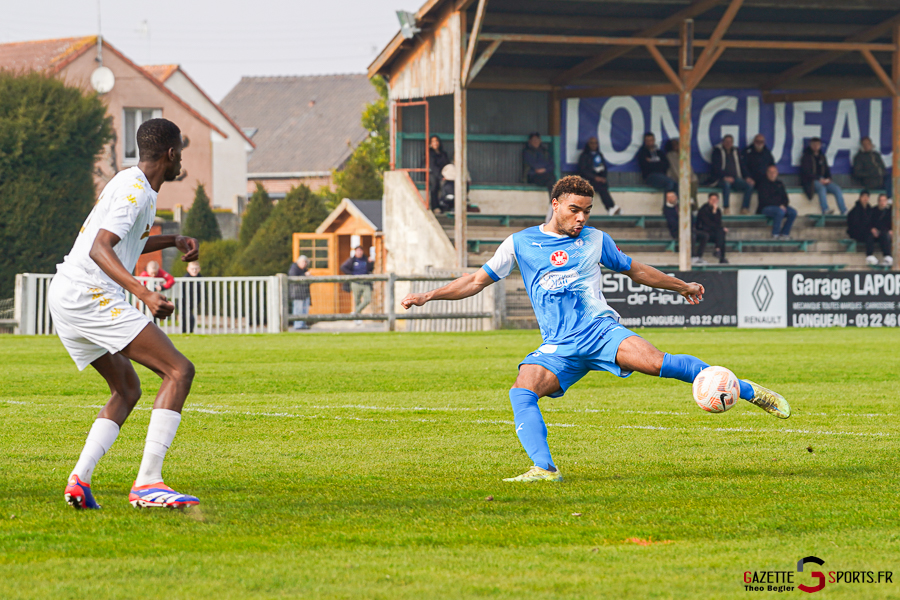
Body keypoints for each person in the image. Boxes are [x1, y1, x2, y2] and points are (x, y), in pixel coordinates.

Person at [400, 175, 790, 482]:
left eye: (586, 211)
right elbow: (474, 281)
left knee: (660, 363)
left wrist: (681, 284)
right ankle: (544, 469)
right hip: (559, 346)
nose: (581, 218)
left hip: (600, 332)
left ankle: (752, 392)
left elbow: (636, 270)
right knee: (523, 390)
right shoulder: (520, 243)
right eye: (574, 210)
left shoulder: (596, 240)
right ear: (555, 205)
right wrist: (428, 296)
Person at [48, 118, 200, 510]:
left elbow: (129, 238)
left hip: (66, 293)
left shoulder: (130, 182)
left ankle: (79, 480)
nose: (182, 157)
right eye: (181, 150)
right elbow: (102, 248)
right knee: (178, 371)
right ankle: (148, 483)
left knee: (127, 389)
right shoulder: (136, 192)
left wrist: (174, 240)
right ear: (170, 154)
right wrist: (145, 294)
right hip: (89, 294)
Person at [708, 135, 754, 214]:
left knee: (749, 185)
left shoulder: (736, 151)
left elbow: (742, 166)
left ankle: (744, 208)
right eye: (726, 141)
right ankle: (726, 208)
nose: (728, 143)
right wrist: (724, 177)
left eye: (730, 142)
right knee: (727, 185)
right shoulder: (717, 151)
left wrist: (747, 177)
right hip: (720, 179)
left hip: (735, 179)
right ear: (723, 142)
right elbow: (715, 168)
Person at [801, 138, 846, 215]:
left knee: (837, 189)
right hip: (811, 181)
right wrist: (819, 179)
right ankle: (825, 209)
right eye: (814, 144)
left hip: (824, 180)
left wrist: (829, 179)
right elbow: (806, 172)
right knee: (822, 188)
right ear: (810, 145)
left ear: (820, 145)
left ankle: (844, 210)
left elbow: (827, 170)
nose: (816, 146)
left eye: (817, 144)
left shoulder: (822, 156)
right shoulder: (806, 157)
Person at [577, 136, 621, 215]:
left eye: (595, 143)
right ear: (588, 144)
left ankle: (611, 208)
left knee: (603, 186)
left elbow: (604, 168)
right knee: (601, 187)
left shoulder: (599, 155)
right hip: (589, 180)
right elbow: (583, 171)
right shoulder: (584, 156)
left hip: (599, 180)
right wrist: (594, 177)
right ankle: (611, 207)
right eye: (592, 143)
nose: (594, 145)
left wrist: (603, 177)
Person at [756, 165, 798, 240]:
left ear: (777, 173)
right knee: (779, 212)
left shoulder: (779, 183)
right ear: (767, 173)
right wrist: (779, 205)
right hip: (766, 208)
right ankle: (775, 234)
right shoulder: (762, 184)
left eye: (774, 172)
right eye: (770, 172)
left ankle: (785, 234)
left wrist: (783, 205)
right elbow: (764, 200)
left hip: (780, 207)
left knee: (793, 212)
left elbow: (786, 199)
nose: (772, 174)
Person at [340, 246, 374, 321]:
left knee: (367, 299)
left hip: (366, 283)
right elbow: (343, 267)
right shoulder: (352, 260)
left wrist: (371, 262)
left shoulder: (366, 259)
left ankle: (356, 312)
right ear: (355, 252)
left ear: (362, 252)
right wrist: (352, 275)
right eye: (357, 251)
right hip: (356, 283)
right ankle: (358, 318)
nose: (359, 252)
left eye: (360, 251)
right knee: (357, 300)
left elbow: (371, 269)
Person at [695, 192, 728, 264]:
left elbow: (718, 223)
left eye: (715, 199)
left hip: (713, 232)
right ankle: (719, 252)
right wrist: (713, 213)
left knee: (721, 233)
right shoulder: (703, 209)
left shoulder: (717, 210)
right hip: (704, 231)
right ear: (708, 200)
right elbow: (707, 224)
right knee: (720, 231)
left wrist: (715, 212)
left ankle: (719, 252)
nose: (714, 201)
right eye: (712, 199)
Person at [664, 138, 698, 207]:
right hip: (676, 178)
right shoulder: (670, 155)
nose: (676, 146)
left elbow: (690, 169)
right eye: (674, 144)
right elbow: (674, 170)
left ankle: (694, 208)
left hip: (689, 178)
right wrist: (683, 179)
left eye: (677, 144)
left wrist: (689, 178)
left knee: (693, 183)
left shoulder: (684, 154)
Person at [426, 135, 451, 212]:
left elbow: (447, 164)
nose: (435, 143)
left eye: (436, 141)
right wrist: (440, 176)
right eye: (433, 141)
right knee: (435, 185)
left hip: (443, 173)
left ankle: (447, 205)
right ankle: (435, 206)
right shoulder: (429, 153)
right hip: (432, 173)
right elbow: (432, 166)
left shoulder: (443, 153)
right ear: (430, 143)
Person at [288, 255, 312, 330]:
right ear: (298, 262)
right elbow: (294, 278)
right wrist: (305, 275)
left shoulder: (304, 270)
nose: (304, 264)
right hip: (297, 293)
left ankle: (303, 324)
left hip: (305, 293)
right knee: (298, 309)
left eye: (305, 262)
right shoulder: (294, 268)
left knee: (305, 309)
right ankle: (298, 325)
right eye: (302, 262)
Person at [870, 193, 893, 266]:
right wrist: (872, 229)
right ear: (878, 201)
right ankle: (870, 256)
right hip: (875, 233)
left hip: (886, 233)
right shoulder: (873, 211)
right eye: (881, 200)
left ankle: (888, 257)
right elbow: (869, 223)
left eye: (884, 200)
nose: (882, 202)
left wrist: (892, 231)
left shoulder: (890, 212)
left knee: (885, 235)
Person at [181, 261, 201, 334]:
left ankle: (189, 332)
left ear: (199, 269)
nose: (194, 271)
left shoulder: (200, 278)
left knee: (190, 317)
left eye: (196, 269)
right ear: (188, 269)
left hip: (193, 302)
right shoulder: (185, 279)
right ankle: (185, 332)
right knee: (188, 317)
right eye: (192, 269)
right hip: (183, 302)